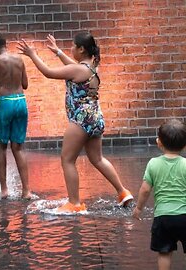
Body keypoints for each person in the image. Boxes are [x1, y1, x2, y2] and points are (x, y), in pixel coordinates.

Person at [17, 32, 133, 213]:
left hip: (81, 118)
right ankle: (123, 192)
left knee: (67, 159)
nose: (70, 49)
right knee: (98, 159)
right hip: (95, 117)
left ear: (81, 49)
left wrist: (33, 55)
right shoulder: (92, 66)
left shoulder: (78, 69)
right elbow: (73, 68)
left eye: (73, 46)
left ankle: (74, 203)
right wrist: (58, 52)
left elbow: (48, 72)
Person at [0, 32, 32, 200]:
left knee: (0, 146)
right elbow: (25, 84)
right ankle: (27, 191)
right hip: (21, 102)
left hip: (4, 103)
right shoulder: (19, 59)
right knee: (18, 147)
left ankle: (4, 190)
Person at [132, 119, 186, 270]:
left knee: (164, 252)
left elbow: (145, 189)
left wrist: (138, 208)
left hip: (163, 218)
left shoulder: (153, 164)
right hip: (185, 215)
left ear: (159, 143)